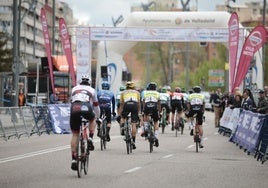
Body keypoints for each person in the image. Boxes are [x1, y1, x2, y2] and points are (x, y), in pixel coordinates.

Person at [69, 74, 100, 171]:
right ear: (90, 82)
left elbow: (72, 101)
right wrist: (97, 117)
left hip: (75, 107)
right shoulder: (92, 90)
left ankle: (74, 159)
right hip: (86, 106)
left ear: (80, 81)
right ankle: (90, 137)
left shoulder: (74, 89)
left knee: (75, 134)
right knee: (92, 118)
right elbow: (96, 106)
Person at [119, 81, 141, 150]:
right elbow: (139, 103)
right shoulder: (137, 92)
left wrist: (120, 114)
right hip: (134, 104)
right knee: (133, 123)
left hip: (127, 104)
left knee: (123, 116)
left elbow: (121, 104)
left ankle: (122, 127)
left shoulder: (123, 92)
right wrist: (139, 111)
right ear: (133, 87)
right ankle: (133, 141)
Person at [141, 82, 161, 147]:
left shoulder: (145, 93)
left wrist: (144, 110)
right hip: (154, 105)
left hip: (147, 105)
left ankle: (146, 128)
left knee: (145, 115)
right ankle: (156, 137)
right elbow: (159, 103)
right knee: (156, 121)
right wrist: (159, 112)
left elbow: (143, 101)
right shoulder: (157, 93)